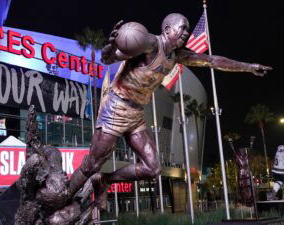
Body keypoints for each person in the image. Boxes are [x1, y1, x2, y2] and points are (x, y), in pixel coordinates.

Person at [69, 13, 272, 210]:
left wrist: (248, 66)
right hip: (116, 107)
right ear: (167, 29)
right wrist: (112, 45)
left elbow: (212, 61)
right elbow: (108, 58)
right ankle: (64, 194)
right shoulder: (149, 43)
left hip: (136, 113)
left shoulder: (177, 55)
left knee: (153, 168)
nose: (186, 32)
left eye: (187, 28)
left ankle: (104, 180)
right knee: (91, 164)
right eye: (182, 27)